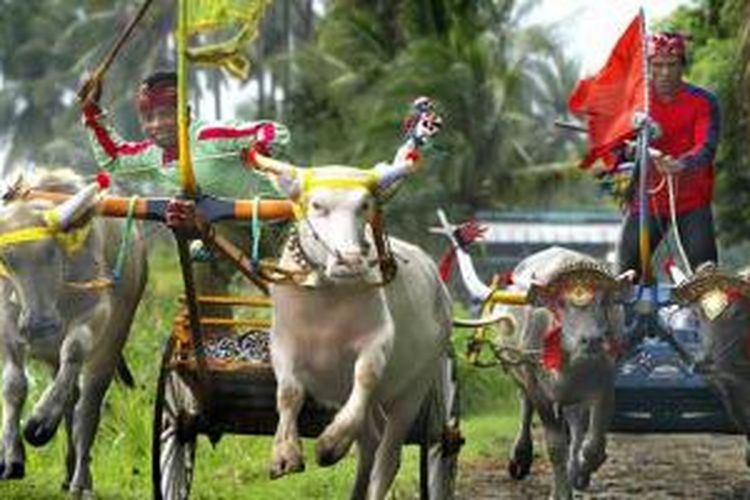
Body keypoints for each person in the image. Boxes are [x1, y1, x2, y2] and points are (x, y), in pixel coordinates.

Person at [79, 70, 289, 322]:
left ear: (185, 114)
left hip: (281, 226)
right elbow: (113, 158)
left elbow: (272, 130)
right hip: (230, 233)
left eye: (166, 114)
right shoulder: (153, 156)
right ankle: (217, 341)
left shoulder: (210, 136)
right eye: (148, 118)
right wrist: (90, 109)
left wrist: (258, 151)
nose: (156, 125)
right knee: (199, 253)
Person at [616, 32, 720, 278]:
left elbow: (707, 147)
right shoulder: (636, 101)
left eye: (672, 65)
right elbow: (617, 147)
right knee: (624, 279)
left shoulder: (704, 101)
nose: (664, 72)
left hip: (692, 202)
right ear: (648, 67)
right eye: (658, 65)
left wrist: (679, 164)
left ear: (683, 66)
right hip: (646, 201)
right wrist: (633, 149)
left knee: (707, 279)